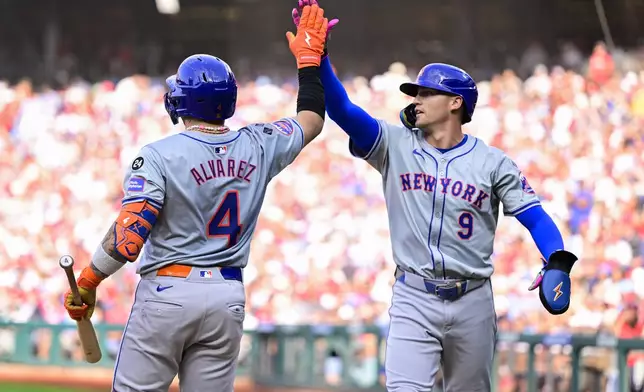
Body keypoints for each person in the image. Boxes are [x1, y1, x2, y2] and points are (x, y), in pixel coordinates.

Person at [292, 1, 578, 390]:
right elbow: (342, 108)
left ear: (456, 103)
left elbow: (536, 218)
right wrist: (320, 59)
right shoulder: (393, 143)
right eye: (416, 93)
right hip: (414, 296)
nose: (417, 99)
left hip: (472, 299)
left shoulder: (492, 163)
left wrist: (557, 260)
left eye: (427, 93)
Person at [62, 4, 330, 391]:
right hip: (226, 296)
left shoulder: (156, 155)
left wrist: (88, 280)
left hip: (169, 291)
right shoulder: (259, 144)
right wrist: (309, 63)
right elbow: (312, 119)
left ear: (179, 101)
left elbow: (130, 234)